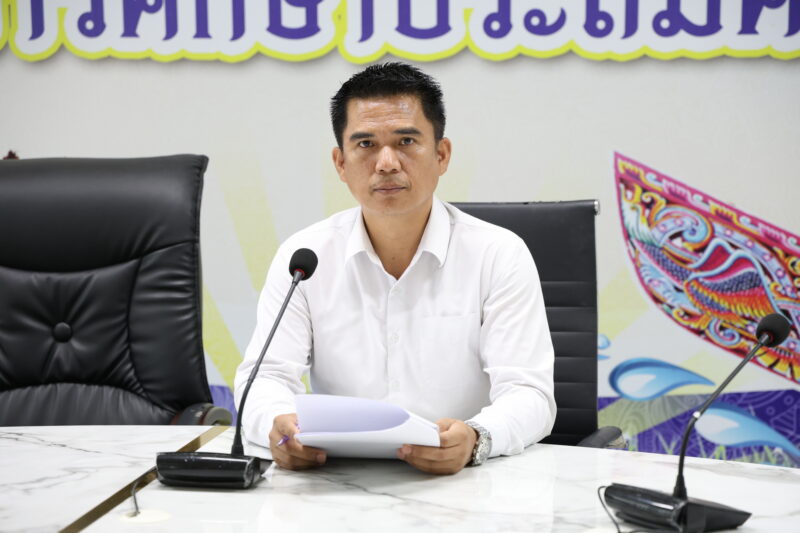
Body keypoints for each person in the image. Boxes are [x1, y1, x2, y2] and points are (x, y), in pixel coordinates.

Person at [234, 62, 555, 475]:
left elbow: (529, 393)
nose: (386, 163)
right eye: (366, 144)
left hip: (465, 480)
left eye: (406, 141)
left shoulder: (498, 254)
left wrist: (476, 439)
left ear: (441, 155)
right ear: (340, 163)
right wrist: (279, 425)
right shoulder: (304, 257)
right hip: (335, 478)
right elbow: (265, 378)